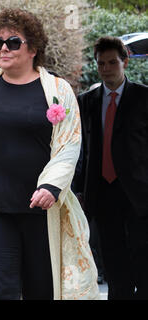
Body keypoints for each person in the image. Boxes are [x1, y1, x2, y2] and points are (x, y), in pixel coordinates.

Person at [0, 8, 99, 300]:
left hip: (40, 207)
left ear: (33, 48)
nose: (3, 49)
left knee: (42, 289)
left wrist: (51, 185)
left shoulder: (57, 90)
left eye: (13, 42)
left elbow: (69, 143)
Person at [76, 36, 148, 300]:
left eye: (112, 62)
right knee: (114, 264)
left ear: (125, 62)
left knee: (142, 260)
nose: (106, 68)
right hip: (102, 193)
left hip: (139, 194)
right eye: (101, 63)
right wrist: (79, 189)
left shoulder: (143, 97)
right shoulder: (86, 101)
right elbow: (81, 149)